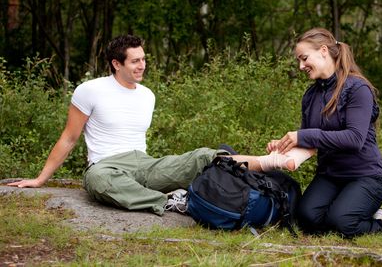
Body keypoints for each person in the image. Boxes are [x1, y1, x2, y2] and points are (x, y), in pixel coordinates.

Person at [7, 34, 305, 215]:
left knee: (203, 155)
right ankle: (170, 202)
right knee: (97, 182)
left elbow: (143, 151)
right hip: (107, 166)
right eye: (135, 61)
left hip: (144, 165)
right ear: (116, 64)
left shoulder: (147, 95)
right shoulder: (90, 90)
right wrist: (40, 179)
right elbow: (69, 139)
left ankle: (271, 161)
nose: (142, 65)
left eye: (144, 59)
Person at [270, 27, 382, 237]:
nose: (301, 66)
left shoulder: (357, 88)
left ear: (324, 50)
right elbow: (309, 143)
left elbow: (354, 139)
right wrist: (282, 150)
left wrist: (301, 136)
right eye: (298, 60)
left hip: (365, 176)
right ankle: (347, 209)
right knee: (307, 218)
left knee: (342, 223)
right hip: (330, 176)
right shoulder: (310, 95)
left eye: (304, 58)